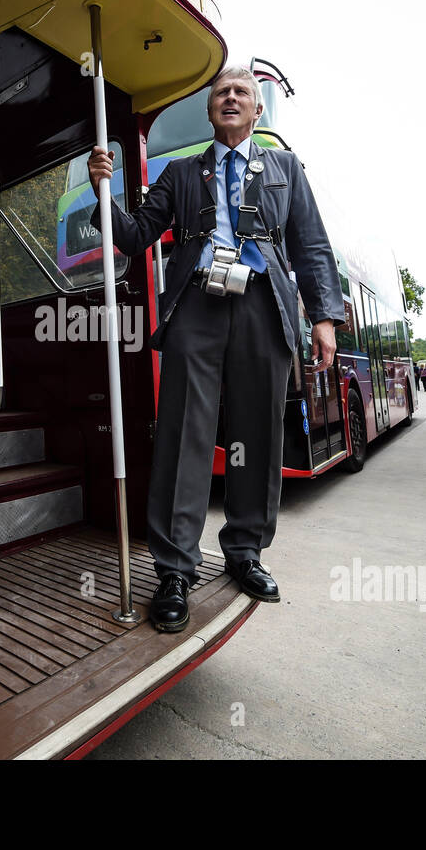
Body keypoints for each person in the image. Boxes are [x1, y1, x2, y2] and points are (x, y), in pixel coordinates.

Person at [87, 66, 344, 633]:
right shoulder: (180, 173)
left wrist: (324, 318)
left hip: (263, 304)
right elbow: (133, 238)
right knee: (184, 435)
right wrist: (104, 193)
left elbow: (311, 244)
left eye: (241, 94)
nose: (230, 99)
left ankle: (245, 551)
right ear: (210, 110)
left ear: (257, 111)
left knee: (257, 431)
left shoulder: (285, 168)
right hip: (195, 309)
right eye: (221, 93)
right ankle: (175, 569)